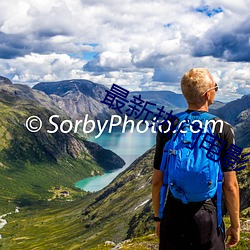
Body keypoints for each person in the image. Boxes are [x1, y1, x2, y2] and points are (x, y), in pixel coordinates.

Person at [152, 68, 240, 250]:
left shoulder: (168, 126)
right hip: (207, 215)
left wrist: (158, 218)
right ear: (208, 94)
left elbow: (157, 181)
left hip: (174, 212)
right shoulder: (224, 130)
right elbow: (230, 185)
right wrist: (235, 226)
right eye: (216, 87)